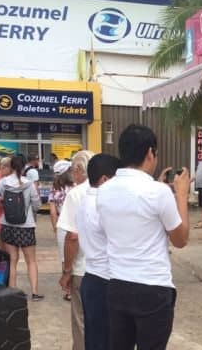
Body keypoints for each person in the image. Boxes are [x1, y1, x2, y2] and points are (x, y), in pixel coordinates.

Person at [98, 124, 190, 350]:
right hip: (152, 287)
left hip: (117, 284)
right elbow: (180, 240)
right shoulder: (159, 192)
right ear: (150, 153)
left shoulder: (104, 190)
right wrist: (181, 195)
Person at [71, 154, 120, 350]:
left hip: (91, 277)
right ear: (105, 180)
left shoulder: (84, 202)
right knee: (107, 341)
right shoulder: (103, 205)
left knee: (94, 339)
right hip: (105, 280)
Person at [0, 155, 43, 301]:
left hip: (8, 225)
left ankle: (12, 291)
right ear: (24, 166)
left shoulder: (3, 182)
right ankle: (35, 292)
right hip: (26, 227)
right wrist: (30, 210)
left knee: (12, 260)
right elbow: (37, 204)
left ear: (11, 167)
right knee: (31, 260)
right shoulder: (29, 183)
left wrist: (1, 202)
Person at [57, 150, 95, 349]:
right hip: (109, 270)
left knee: (81, 321)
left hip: (83, 269)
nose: (73, 175)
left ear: (80, 170)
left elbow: (72, 237)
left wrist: (67, 271)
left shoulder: (76, 194)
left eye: (74, 170)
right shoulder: (109, 189)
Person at [50, 160, 74, 300]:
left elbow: (53, 212)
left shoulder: (55, 188)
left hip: (62, 225)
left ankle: (68, 290)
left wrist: (55, 228)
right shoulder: (76, 187)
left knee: (65, 258)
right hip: (77, 225)